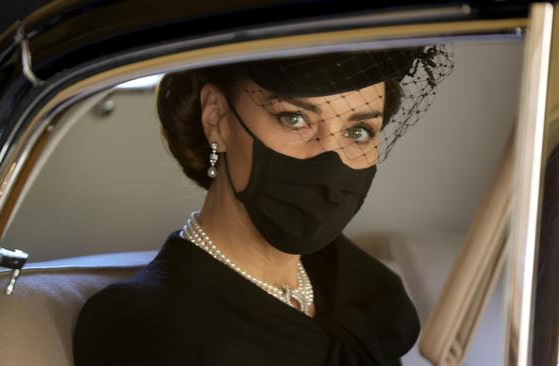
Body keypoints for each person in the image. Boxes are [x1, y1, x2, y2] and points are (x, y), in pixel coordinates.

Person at [73, 45, 453, 366]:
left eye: (358, 131)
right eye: (295, 118)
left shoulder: (369, 293)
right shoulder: (143, 323)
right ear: (216, 117)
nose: (330, 158)